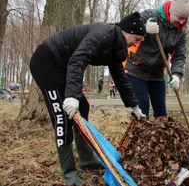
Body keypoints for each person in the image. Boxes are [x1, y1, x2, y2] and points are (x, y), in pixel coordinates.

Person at [29, 12, 146, 186]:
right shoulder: (103, 34)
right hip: (47, 61)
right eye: (137, 38)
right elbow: (78, 60)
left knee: (82, 107)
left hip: (64, 66)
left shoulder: (116, 46)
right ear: (126, 32)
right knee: (62, 117)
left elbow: (120, 78)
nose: (137, 43)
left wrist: (134, 106)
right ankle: (69, 173)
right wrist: (71, 96)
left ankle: (86, 159)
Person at [124, 0, 189, 119]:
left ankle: (161, 136)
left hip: (157, 73)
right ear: (171, 12)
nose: (181, 22)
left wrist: (177, 75)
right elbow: (127, 25)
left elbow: (180, 55)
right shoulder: (151, 15)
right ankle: (140, 136)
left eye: (185, 19)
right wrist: (144, 28)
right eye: (179, 18)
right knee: (142, 107)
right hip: (136, 70)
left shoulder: (180, 33)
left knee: (161, 110)